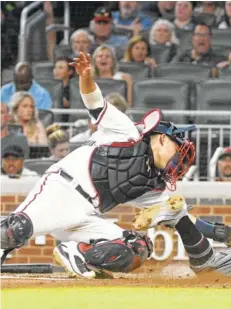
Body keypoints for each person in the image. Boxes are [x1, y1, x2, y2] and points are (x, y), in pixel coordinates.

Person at [0, 52, 197, 278]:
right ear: (161, 139)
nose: (177, 160)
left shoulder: (153, 181)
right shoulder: (127, 131)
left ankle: (77, 253)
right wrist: (85, 76)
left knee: (138, 247)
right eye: (175, 148)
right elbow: (94, 103)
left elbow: (181, 217)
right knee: (14, 231)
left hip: (87, 216)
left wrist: (222, 235)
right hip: (63, 191)